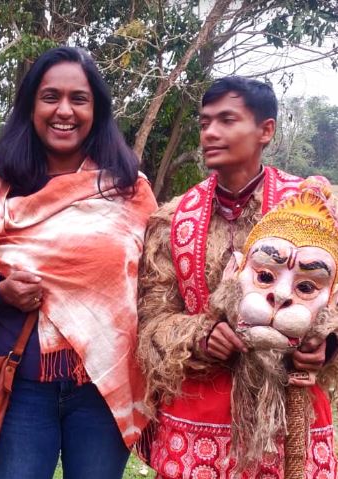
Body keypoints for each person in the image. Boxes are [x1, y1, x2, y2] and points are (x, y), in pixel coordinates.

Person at [0, 46, 158, 479]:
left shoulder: (128, 191)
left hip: (103, 389)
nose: (63, 110)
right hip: (19, 387)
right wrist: (1, 292)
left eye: (78, 99)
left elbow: (154, 287)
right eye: (50, 97)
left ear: (96, 110)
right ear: (31, 106)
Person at [137, 76, 337, 477]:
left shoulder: (317, 211)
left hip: (289, 414)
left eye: (226, 120)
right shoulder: (172, 219)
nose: (210, 132)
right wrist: (200, 335)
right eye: (205, 122)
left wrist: (328, 344)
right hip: (198, 421)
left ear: (266, 130)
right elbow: (151, 322)